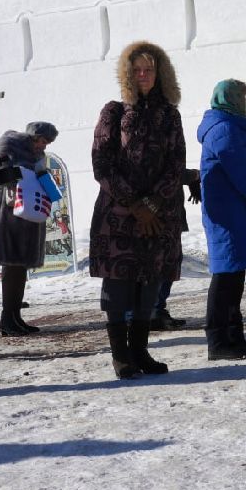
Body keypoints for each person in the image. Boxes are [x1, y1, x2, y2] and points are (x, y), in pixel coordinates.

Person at [90, 41, 185, 379]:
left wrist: (153, 204)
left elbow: (177, 164)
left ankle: (141, 351)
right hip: (119, 217)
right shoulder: (114, 112)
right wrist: (134, 204)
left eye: (150, 69)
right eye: (137, 70)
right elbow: (102, 163)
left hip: (159, 215)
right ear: (128, 74)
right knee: (119, 286)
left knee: (150, 283)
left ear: (160, 73)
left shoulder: (170, 115)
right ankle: (121, 356)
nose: (143, 75)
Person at [199, 80, 246, 360]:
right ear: (228, 98)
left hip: (239, 216)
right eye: (242, 96)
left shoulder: (232, 126)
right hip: (228, 218)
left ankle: (235, 337)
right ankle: (218, 342)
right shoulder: (224, 130)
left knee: (236, 278)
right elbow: (244, 176)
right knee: (225, 280)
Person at [0, 121, 58, 336]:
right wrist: (24, 177)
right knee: (12, 265)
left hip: (29, 212)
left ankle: (15, 317)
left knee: (20, 267)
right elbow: (1, 171)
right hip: (9, 213)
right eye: (42, 141)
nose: (43, 146)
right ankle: (7, 319)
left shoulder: (37, 155)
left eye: (47, 143)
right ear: (34, 136)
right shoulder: (11, 143)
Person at [149, 168, 201, 332]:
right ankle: (146, 312)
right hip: (155, 214)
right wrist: (194, 175)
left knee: (169, 262)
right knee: (157, 264)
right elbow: (165, 171)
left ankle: (156, 310)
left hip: (170, 212)